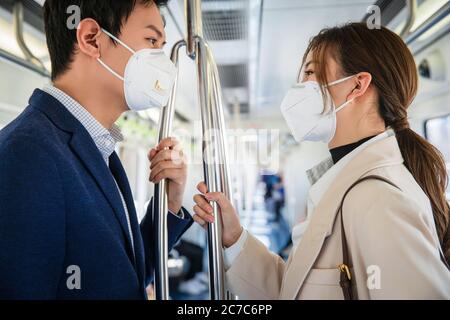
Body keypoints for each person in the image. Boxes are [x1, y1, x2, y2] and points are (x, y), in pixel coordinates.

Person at [192, 23, 450, 299]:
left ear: (358, 85)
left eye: (311, 73)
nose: (301, 87)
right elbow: (293, 290)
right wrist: (234, 237)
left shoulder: (379, 199)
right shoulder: (345, 183)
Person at [0, 0, 193, 299]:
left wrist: (168, 205)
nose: (162, 61)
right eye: (151, 41)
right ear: (91, 38)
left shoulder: (97, 147)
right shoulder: (27, 154)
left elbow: (126, 275)